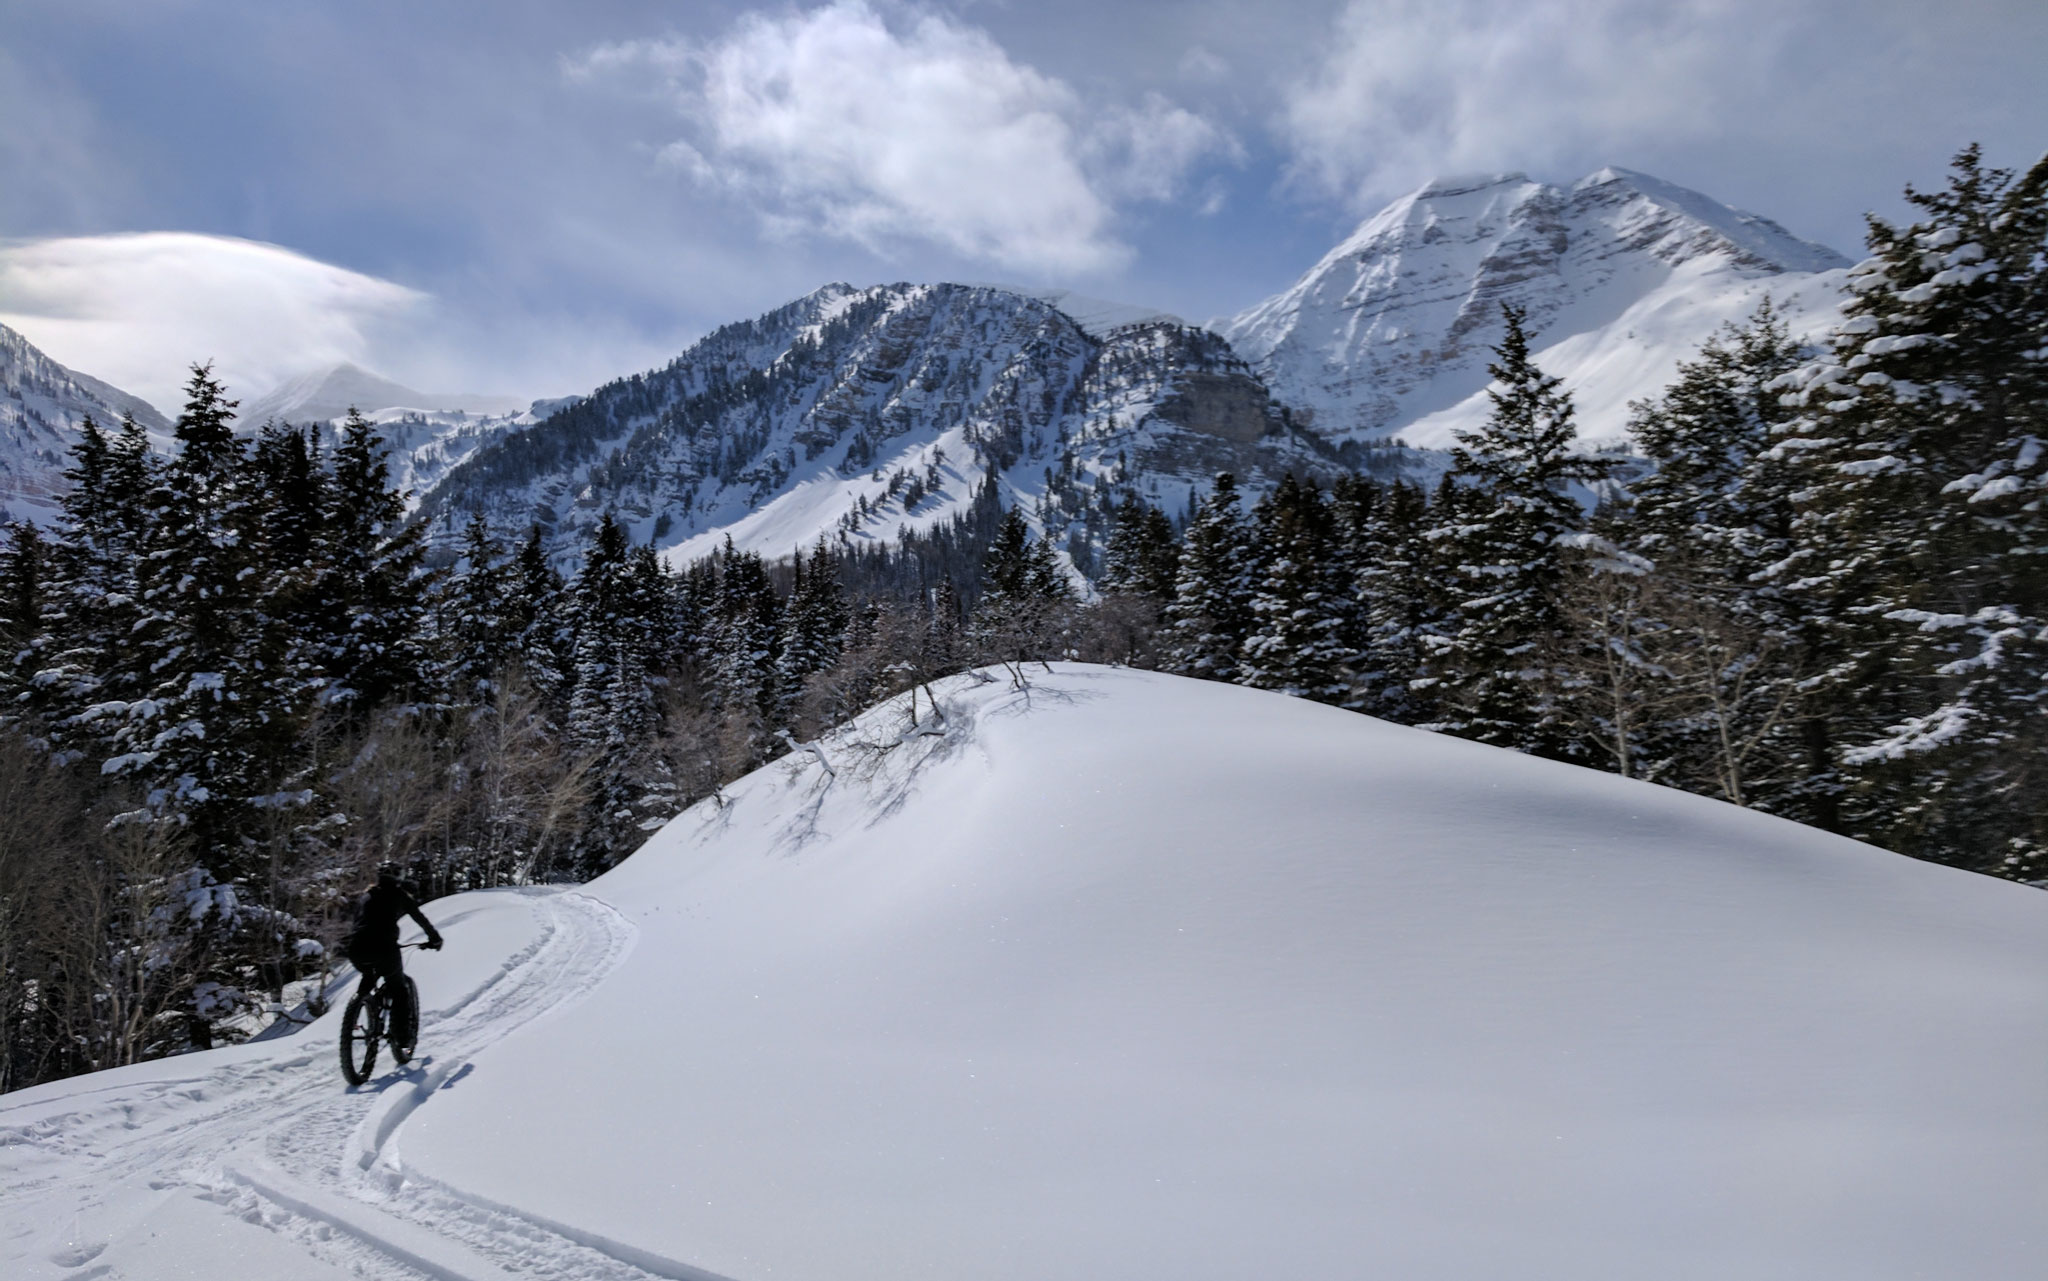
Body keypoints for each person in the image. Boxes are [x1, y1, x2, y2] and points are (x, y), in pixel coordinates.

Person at [344, 863, 444, 1018]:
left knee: (368, 975)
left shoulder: (366, 895)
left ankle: (356, 1011)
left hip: (356, 949)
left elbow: (356, 922)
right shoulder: (398, 894)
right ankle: (402, 1039)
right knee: (399, 990)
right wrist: (435, 939)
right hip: (385, 949)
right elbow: (420, 918)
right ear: (398, 877)